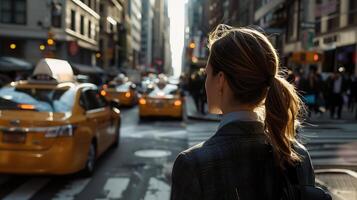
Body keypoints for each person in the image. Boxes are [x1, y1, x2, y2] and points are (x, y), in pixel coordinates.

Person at [170, 25, 317, 200]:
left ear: (221, 80)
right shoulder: (298, 156)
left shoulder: (192, 164)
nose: (205, 82)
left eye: (207, 73)